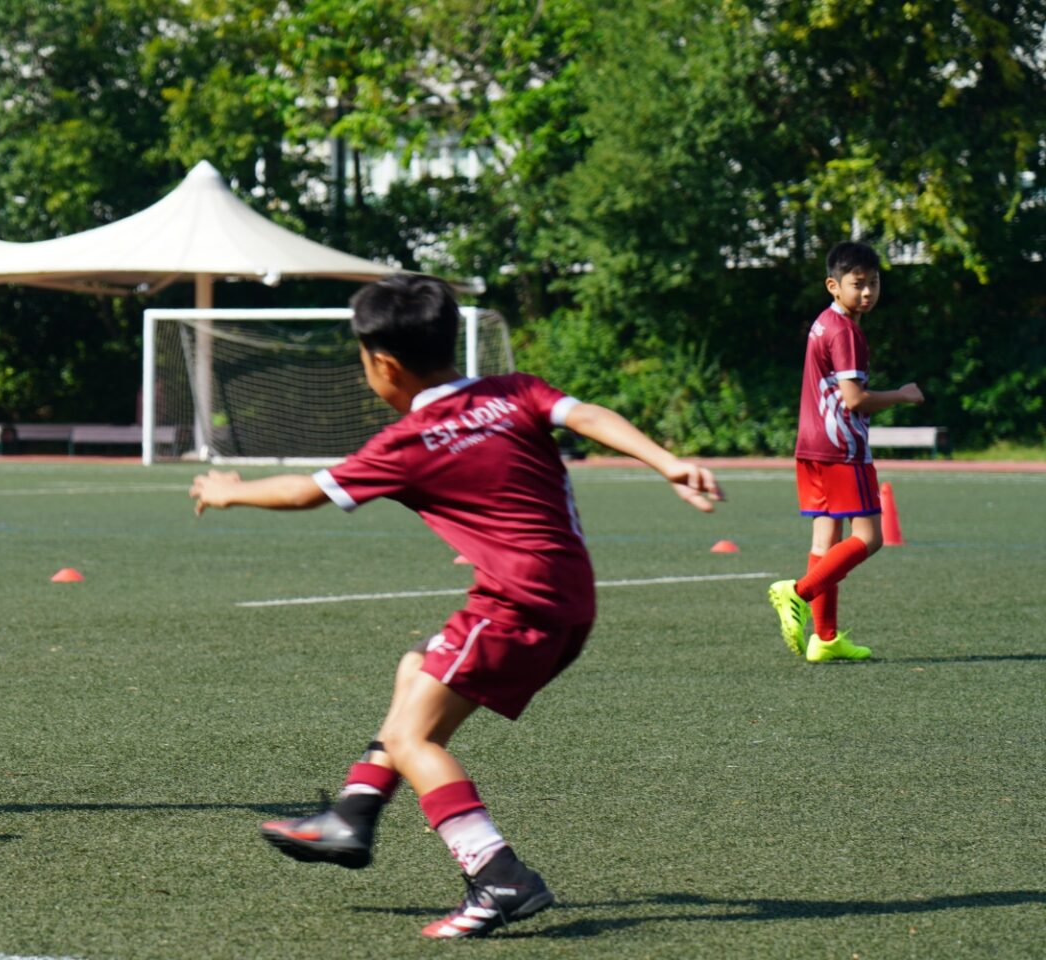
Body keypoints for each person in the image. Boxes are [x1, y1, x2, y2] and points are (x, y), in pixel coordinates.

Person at [188, 274, 721, 939]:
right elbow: (586, 415)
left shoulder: (408, 442)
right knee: (417, 669)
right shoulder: (513, 390)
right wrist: (665, 461)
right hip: (569, 597)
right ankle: (354, 811)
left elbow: (306, 491)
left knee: (415, 738)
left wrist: (228, 489)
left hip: (514, 603)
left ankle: (499, 876)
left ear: (380, 363)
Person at [766, 241, 923, 663]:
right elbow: (854, 399)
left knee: (826, 537)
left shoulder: (823, 322)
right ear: (833, 285)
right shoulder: (845, 332)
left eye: (874, 283)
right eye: (859, 284)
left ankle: (827, 638)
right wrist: (903, 396)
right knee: (869, 538)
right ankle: (797, 592)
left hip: (812, 446)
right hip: (841, 450)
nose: (868, 292)